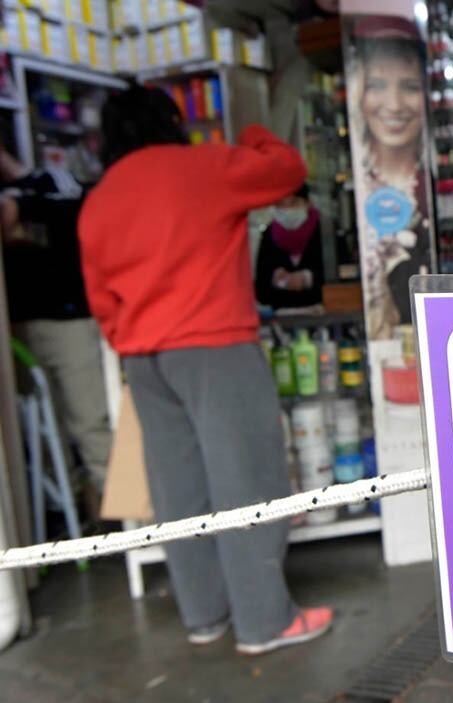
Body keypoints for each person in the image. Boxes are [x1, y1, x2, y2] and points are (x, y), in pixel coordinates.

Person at [78, 86, 331, 655]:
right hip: (215, 346)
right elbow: (288, 168)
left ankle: (204, 614)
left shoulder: (99, 199)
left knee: (178, 487)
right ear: (172, 122)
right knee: (247, 479)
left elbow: (101, 297)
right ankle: (265, 622)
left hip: (144, 358)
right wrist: (251, 133)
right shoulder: (203, 167)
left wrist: (131, 339)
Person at [0, 147, 112, 517]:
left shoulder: (50, 181)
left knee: (90, 420)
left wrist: (23, 209)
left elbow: (80, 209)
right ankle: (71, 515)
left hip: (70, 322)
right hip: (14, 329)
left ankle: (124, 516)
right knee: (40, 433)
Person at [349, 18, 432, 339]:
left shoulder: (433, 193)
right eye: (377, 85)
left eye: (409, 87)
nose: (394, 105)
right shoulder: (358, 188)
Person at [254, 183, 324, 310]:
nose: (287, 210)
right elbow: (260, 288)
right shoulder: (269, 235)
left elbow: (343, 279)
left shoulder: (325, 232)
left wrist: (308, 278)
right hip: (282, 317)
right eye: (280, 205)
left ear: (307, 203)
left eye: (293, 203)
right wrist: (275, 279)